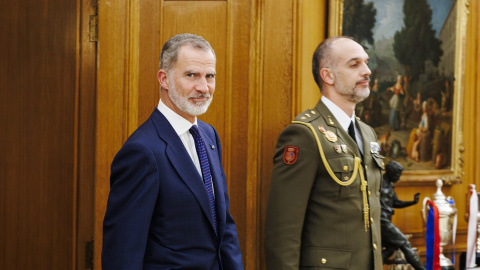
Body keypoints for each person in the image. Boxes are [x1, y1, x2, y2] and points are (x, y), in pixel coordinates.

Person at [101, 33, 244, 270]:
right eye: (191, 75)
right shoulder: (142, 151)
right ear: (164, 79)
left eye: (210, 76)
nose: (204, 87)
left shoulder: (209, 135)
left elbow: (223, 224)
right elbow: (123, 251)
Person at [265, 36, 384, 270]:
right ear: (328, 75)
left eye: (366, 62)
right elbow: (283, 231)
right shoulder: (304, 134)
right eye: (354, 64)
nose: (367, 71)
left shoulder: (368, 133)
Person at [381, 161, 425, 270]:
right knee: (405, 243)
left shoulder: (390, 186)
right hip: (381, 221)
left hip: (386, 221)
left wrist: (412, 202)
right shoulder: (377, 183)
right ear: (391, 173)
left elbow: (396, 203)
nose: (399, 178)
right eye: (397, 175)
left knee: (392, 246)